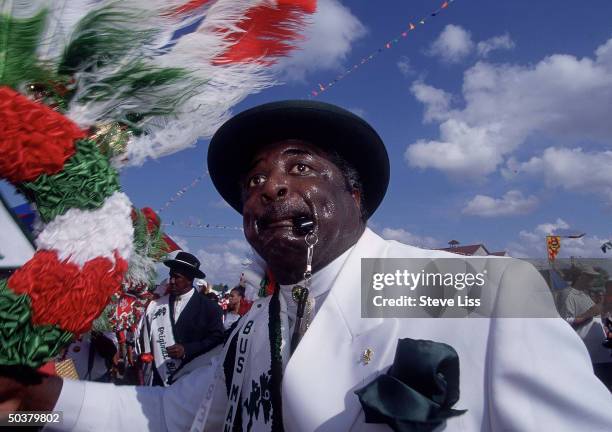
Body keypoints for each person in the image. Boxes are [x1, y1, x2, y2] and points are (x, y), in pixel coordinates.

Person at [3, 101, 612, 431]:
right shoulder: (252, 330)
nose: (270, 188)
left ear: (356, 197)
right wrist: (31, 400)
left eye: (301, 168)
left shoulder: (466, 287)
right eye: (254, 180)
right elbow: (167, 416)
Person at [138, 252, 224, 386]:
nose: (171, 281)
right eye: (171, 276)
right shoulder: (158, 305)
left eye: (177, 277)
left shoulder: (209, 308)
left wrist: (187, 349)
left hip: (191, 380)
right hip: (158, 379)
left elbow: (217, 339)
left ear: (190, 279)